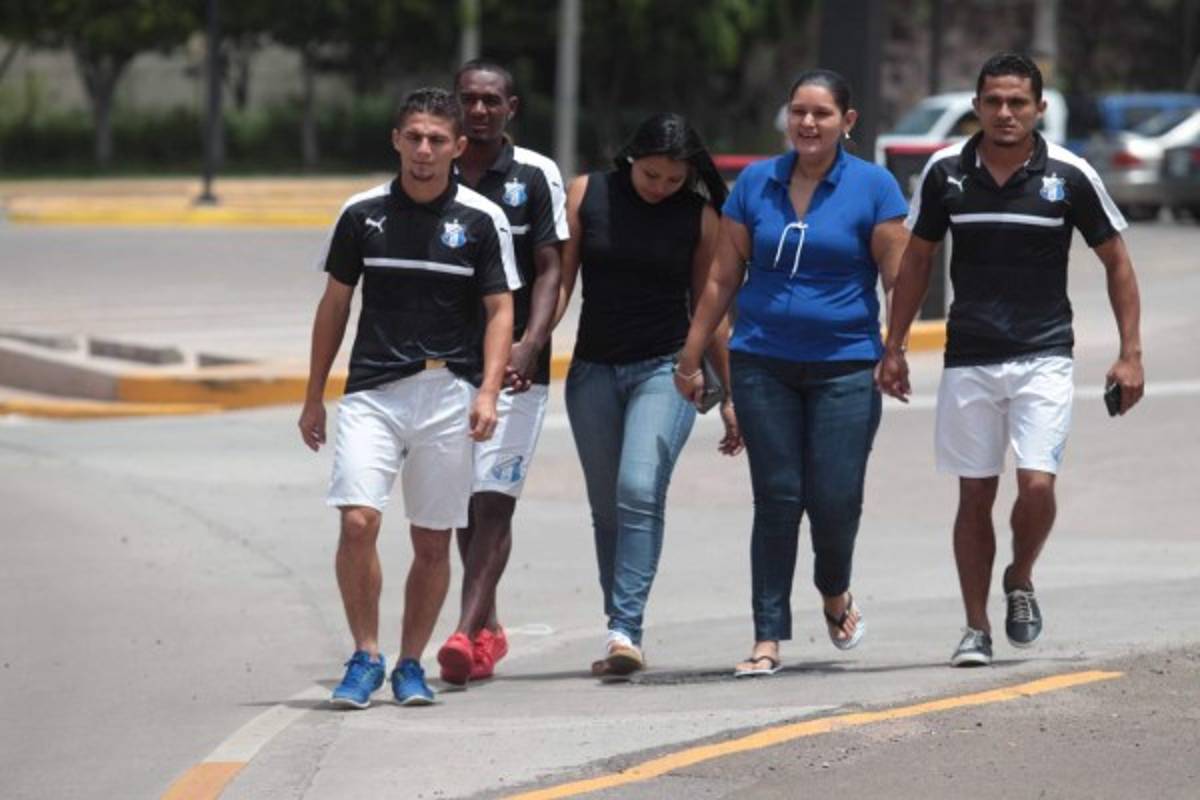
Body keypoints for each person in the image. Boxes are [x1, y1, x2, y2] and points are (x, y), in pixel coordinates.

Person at [877, 52, 1144, 667]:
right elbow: (916, 260)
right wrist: (893, 346)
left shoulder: (1070, 174)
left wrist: (1131, 354)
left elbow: (1118, 263)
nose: (1005, 112)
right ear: (976, 106)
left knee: (1037, 486)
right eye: (993, 101)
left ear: (1039, 108)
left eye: (1017, 102)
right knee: (974, 497)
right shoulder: (945, 173)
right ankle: (975, 628)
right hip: (969, 357)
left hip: (1044, 353)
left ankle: (1019, 577)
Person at [675, 69, 909, 677]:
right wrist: (692, 352)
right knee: (777, 499)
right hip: (762, 363)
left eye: (822, 114)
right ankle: (766, 636)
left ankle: (834, 590)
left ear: (847, 123)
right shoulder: (756, 182)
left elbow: (898, 278)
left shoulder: (874, 187)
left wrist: (897, 346)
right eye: (799, 112)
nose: (808, 123)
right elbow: (723, 277)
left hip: (847, 365)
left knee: (834, 499)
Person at [299, 88, 520, 707]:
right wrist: (314, 395)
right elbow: (335, 305)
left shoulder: (481, 219)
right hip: (373, 391)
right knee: (359, 520)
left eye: (437, 140)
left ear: (458, 146)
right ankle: (365, 655)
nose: (424, 150)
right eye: (414, 137)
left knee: (431, 540)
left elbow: (501, 310)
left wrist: (488, 392)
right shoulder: (361, 213)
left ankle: (411, 664)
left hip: (449, 393)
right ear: (396, 140)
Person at [556, 113, 740, 677]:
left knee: (638, 488)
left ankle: (625, 631)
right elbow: (560, 282)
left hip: (666, 370)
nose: (661, 187)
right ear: (630, 159)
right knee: (606, 508)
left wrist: (731, 394)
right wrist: (526, 346)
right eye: (651, 174)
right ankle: (620, 623)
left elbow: (713, 309)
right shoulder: (588, 194)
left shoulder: (701, 217)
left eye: (673, 179)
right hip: (591, 372)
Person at [435, 59, 568, 687]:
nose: (479, 110)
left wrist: (531, 342)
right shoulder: (436, 166)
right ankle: (486, 625)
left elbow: (552, 270)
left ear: (511, 107)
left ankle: (464, 632)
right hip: (448, 365)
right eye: (469, 100)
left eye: (491, 100)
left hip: (518, 368)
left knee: (493, 503)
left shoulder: (537, 175)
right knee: (463, 502)